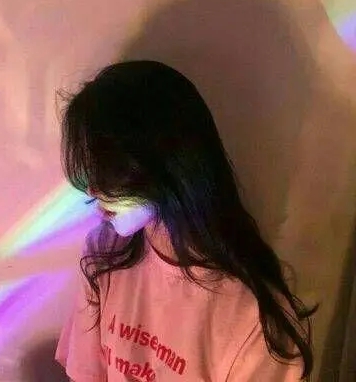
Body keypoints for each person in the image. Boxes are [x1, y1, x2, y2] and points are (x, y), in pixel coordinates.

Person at [54, 60, 318, 381]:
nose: (93, 190)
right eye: (92, 169)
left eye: (110, 169)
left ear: (167, 164)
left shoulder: (251, 321)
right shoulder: (105, 252)